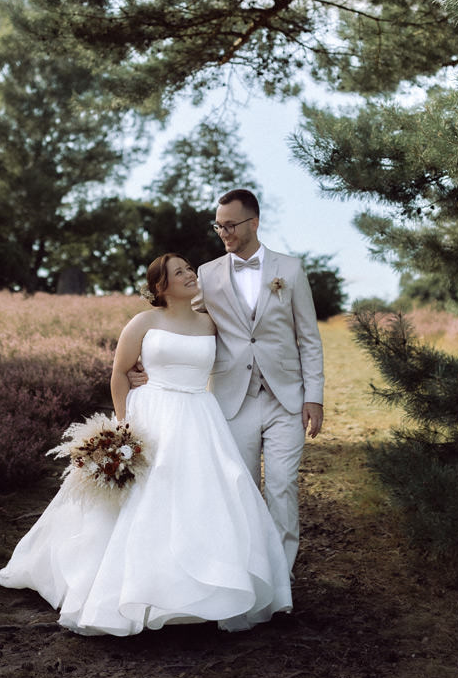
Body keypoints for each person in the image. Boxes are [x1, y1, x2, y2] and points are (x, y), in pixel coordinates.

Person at [0, 253, 293, 636]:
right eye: (179, 272)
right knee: (144, 498)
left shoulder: (211, 322)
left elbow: (246, 350)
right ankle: (131, 590)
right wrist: (123, 429)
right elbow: (120, 374)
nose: (190, 275)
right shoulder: (144, 322)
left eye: (189, 269)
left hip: (199, 415)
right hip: (152, 414)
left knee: (206, 495)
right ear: (160, 286)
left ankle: (202, 589)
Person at [130, 189, 324, 572]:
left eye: (231, 225)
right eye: (218, 226)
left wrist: (314, 396)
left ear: (254, 223)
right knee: (240, 489)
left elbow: (309, 338)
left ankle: (280, 578)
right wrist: (147, 357)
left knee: (282, 488)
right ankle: (248, 573)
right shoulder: (207, 274)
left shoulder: (290, 270)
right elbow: (180, 320)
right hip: (233, 400)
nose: (224, 233)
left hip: (287, 398)